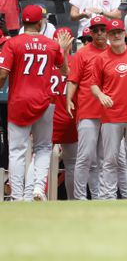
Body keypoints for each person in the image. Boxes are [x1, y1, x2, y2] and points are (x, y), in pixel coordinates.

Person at [0, 5, 70, 201]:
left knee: (17, 150)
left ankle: (17, 195)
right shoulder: (51, 44)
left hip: (19, 101)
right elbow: (65, 71)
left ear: (23, 22)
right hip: (44, 101)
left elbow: (3, 73)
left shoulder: (13, 43)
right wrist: (62, 50)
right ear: (40, 22)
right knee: (43, 148)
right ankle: (38, 188)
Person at [89, 19, 127, 199]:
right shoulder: (101, 58)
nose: (117, 35)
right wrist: (101, 95)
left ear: (125, 32)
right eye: (113, 33)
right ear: (107, 36)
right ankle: (108, 197)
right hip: (111, 116)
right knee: (110, 160)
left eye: (119, 32)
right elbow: (93, 85)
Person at [66, 15, 108, 200]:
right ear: (90, 32)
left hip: (109, 114)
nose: (99, 33)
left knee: (103, 159)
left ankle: (99, 197)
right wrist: (68, 100)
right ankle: (79, 198)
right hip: (88, 111)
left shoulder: (113, 51)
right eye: (95, 30)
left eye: (102, 29)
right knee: (84, 157)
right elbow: (73, 80)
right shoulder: (82, 53)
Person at [50, 28, 77, 200]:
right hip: (67, 118)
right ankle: (72, 200)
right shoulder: (75, 61)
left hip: (52, 117)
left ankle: (32, 195)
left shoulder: (45, 61)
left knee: (41, 160)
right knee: (71, 164)